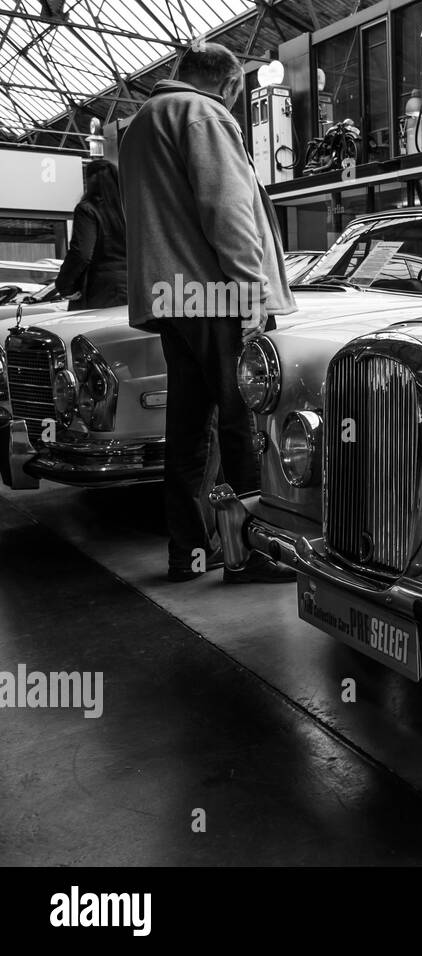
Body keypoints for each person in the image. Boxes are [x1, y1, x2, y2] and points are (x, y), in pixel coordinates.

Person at [119, 41, 297, 584]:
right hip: (218, 295)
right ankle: (251, 555)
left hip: (175, 298)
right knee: (245, 422)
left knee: (189, 430)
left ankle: (189, 551)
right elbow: (227, 209)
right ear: (229, 86)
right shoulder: (203, 114)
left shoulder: (143, 123)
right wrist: (251, 294)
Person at [55, 159, 128, 309]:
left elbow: (81, 253)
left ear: (89, 181)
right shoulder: (131, 210)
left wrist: (65, 286)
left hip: (100, 291)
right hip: (135, 288)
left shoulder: (87, 209)